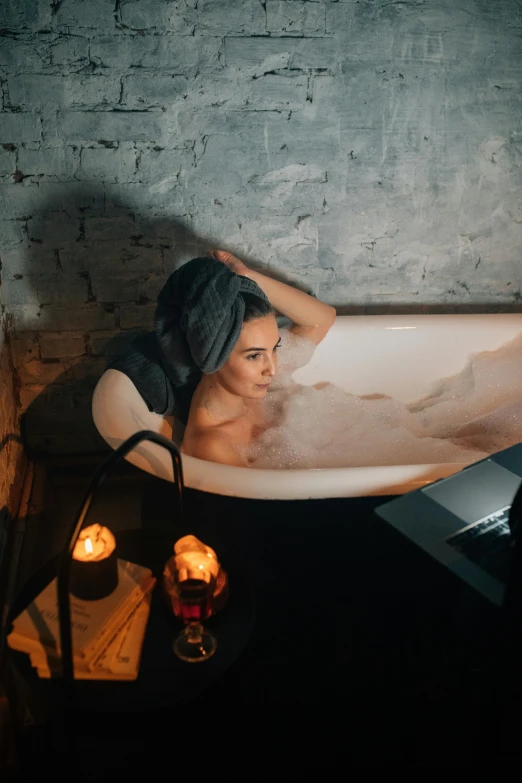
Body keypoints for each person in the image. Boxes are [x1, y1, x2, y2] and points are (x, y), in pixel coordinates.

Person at [180, 250, 336, 466]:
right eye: (254, 356)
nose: (272, 369)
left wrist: (247, 277)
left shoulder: (251, 388)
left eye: (274, 348)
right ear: (212, 354)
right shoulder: (213, 446)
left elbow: (323, 318)